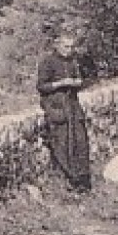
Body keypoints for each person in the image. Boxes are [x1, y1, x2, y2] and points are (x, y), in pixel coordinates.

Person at [38, 30, 93, 195]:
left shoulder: (73, 62)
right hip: (56, 106)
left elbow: (82, 80)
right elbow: (41, 86)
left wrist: (77, 83)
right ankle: (70, 180)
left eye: (71, 47)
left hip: (73, 106)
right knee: (62, 143)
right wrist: (60, 83)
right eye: (66, 46)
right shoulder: (47, 62)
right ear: (57, 45)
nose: (69, 50)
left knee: (80, 142)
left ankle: (83, 181)